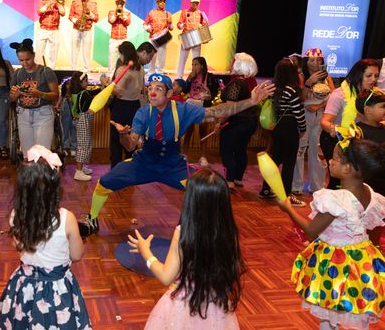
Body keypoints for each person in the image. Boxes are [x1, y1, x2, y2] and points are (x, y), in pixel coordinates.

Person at [79, 73, 275, 237]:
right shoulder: (142, 113)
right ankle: (93, 220)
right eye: (150, 88)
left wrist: (251, 101)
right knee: (104, 182)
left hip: (174, 166)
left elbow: (217, 111)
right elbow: (130, 145)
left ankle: (205, 230)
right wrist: (123, 136)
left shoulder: (183, 110)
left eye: (158, 88)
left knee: (208, 188)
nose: (152, 92)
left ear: (170, 93)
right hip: (144, 163)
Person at [277, 135, 385, 330]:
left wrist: (288, 210)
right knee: (356, 302)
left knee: (329, 304)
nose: (330, 161)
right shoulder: (370, 192)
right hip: (361, 259)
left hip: (337, 261)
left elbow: (311, 231)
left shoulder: (337, 199)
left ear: (349, 168)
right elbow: (374, 230)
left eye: (335, 158)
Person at [128, 168, 244, 329]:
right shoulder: (229, 232)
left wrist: (145, 251)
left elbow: (166, 276)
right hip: (216, 307)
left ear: (191, 201)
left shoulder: (183, 233)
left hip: (182, 307)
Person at [0, 145, 91, 329]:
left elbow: (19, 247)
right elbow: (77, 255)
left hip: (25, 287)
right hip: (58, 290)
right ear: (55, 188)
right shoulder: (66, 218)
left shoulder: (16, 215)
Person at [320, 59, 381, 190]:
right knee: (337, 180)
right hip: (334, 140)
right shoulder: (339, 94)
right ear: (358, 75)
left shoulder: (372, 94)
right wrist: (336, 130)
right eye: (369, 75)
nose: (373, 79)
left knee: (356, 179)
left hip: (358, 140)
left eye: (376, 75)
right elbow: (324, 121)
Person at [259, 59, 306, 205]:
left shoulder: (273, 87)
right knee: (289, 162)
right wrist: (303, 128)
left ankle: (266, 189)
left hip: (276, 126)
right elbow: (298, 112)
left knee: (276, 158)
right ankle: (286, 196)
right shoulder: (292, 89)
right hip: (289, 126)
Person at [292, 49, 335, 196]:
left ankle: (317, 186)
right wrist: (308, 84)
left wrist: (319, 106)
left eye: (319, 60)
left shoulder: (326, 77)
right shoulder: (301, 76)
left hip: (321, 116)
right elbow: (299, 99)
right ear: (306, 61)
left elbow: (334, 98)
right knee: (299, 150)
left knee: (317, 151)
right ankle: (295, 186)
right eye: (312, 60)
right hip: (303, 115)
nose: (315, 63)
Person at [9, 38, 59, 154]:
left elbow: (56, 95)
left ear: (34, 55)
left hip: (43, 114)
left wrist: (40, 94)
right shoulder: (18, 73)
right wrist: (14, 95)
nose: (24, 63)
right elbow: (11, 98)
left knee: (42, 154)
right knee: (28, 154)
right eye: (21, 60)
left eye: (28, 59)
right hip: (23, 115)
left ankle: (43, 173)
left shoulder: (46, 72)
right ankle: (30, 173)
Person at [219, 52, 259, 188]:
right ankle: (237, 179)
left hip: (236, 122)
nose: (231, 63)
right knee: (240, 149)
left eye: (233, 61)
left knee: (227, 150)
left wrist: (220, 122)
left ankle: (229, 181)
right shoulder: (250, 82)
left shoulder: (236, 83)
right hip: (249, 122)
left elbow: (229, 108)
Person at [108, 41, 145, 168]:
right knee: (132, 139)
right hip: (135, 106)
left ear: (124, 54)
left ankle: (116, 170)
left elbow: (118, 92)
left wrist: (106, 85)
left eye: (120, 54)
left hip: (121, 106)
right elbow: (142, 89)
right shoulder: (141, 69)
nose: (120, 57)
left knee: (116, 139)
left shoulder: (123, 69)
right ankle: (130, 169)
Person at [182, 56, 219, 167]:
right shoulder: (191, 77)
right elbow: (184, 90)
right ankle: (184, 155)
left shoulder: (210, 77)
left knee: (203, 133)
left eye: (196, 64)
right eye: (192, 64)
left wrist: (209, 97)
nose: (193, 67)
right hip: (192, 104)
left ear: (202, 65)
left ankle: (203, 157)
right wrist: (188, 79)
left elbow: (214, 91)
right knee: (189, 131)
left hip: (203, 105)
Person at [176, 0, 209, 79]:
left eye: (197, 2)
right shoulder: (185, 12)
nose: (195, 4)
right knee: (182, 59)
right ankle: (179, 78)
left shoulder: (201, 14)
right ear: (190, 1)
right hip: (186, 37)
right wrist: (182, 25)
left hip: (196, 38)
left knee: (196, 60)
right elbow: (178, 24)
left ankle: (196, 77)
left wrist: (205, 24)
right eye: (194, 2)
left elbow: (204, 26)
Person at [355, 89, 385, 195]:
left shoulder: (383, 127)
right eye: (382, 106)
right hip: (370, 185)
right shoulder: (358, 132)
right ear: (368, 109)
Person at [69, 0, 99, 72]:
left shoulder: (93, 4)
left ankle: (86, 71)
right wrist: (75, 20)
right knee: (74, 50)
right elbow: (70, 15)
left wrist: (90, 13)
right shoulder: (75, 2)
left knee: (86, 52)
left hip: (87, 30)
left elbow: (96, 18)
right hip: (76, 29)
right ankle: (73, 70)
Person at [35, 0, 65, 69]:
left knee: (53, 54)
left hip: (54, 30)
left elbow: (63, 13)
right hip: (43, 29)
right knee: (39, 52)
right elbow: (39, 12)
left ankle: (51, 72)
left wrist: (58, 4)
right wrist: (49, 4)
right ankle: (39, 71)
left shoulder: (60, 2)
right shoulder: (44, 1)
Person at [143, 0, 173, 74]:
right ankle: (150, 74)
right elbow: (144, 24)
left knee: (161, 59)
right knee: (152, 58)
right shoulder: (152, 12)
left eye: (164, 1)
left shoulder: (168, 14)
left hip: (162, 40)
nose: (162, 3)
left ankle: (160, 75)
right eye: (160, 1)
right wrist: (148, 28)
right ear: (157, 2)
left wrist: (170, 23)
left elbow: (171, 28)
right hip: (153, 39)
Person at [70, 71, 94, 181]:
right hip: (83, 120)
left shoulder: (78, 93)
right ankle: (78, 171)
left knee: (86, 143)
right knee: (83, 145)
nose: (87, 82)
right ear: (80, 82)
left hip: (82, 120)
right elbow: (93, 100)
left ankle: (82, 167)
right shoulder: (83, 93)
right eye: (85, 81)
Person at [107, 0, 131, 77]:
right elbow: (111, 21)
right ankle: (110, 75)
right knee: (112, 58)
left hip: (123, 38)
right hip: (113, 38)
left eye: (121, 2)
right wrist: (116, 15)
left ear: (124, 3)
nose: (120, 4)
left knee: (124, 58)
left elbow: (128, 23)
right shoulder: (111, 12)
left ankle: (123, 75)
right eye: (118, 2)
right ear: (116, 2)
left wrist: (123, 16)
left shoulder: (127, 13)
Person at [57, 79, 77, 157]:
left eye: (70, 84)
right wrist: (57, 106)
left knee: (73, 130)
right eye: (67, 84)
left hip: (73, 114)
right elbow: (59, 101)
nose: (69, 86)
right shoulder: (63, 95)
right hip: (65, 114)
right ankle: (64, 148)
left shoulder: (74, 95)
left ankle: (73, 148)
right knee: (64, 130)